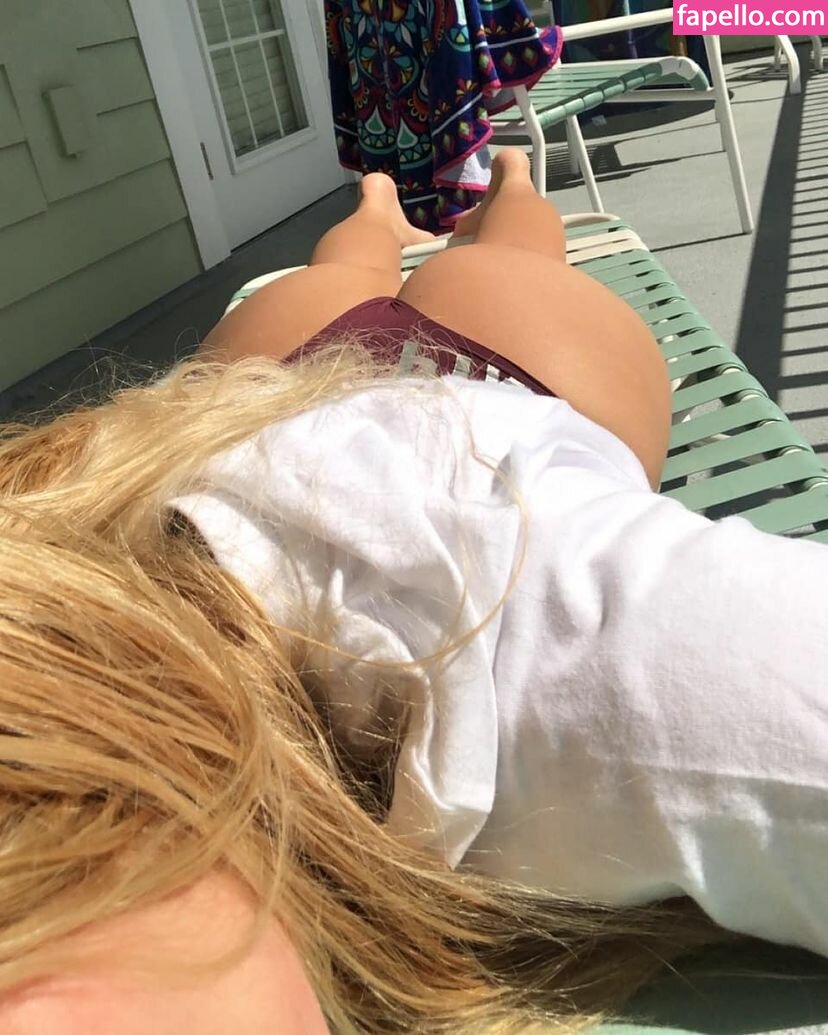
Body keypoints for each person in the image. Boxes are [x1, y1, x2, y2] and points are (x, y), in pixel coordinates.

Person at [0, 149, 826, 1035]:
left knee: (507, 258)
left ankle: (495, 183)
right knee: (384, 267)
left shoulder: (568, 677)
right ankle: (390, 204)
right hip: (228, 428)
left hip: (489, 389)